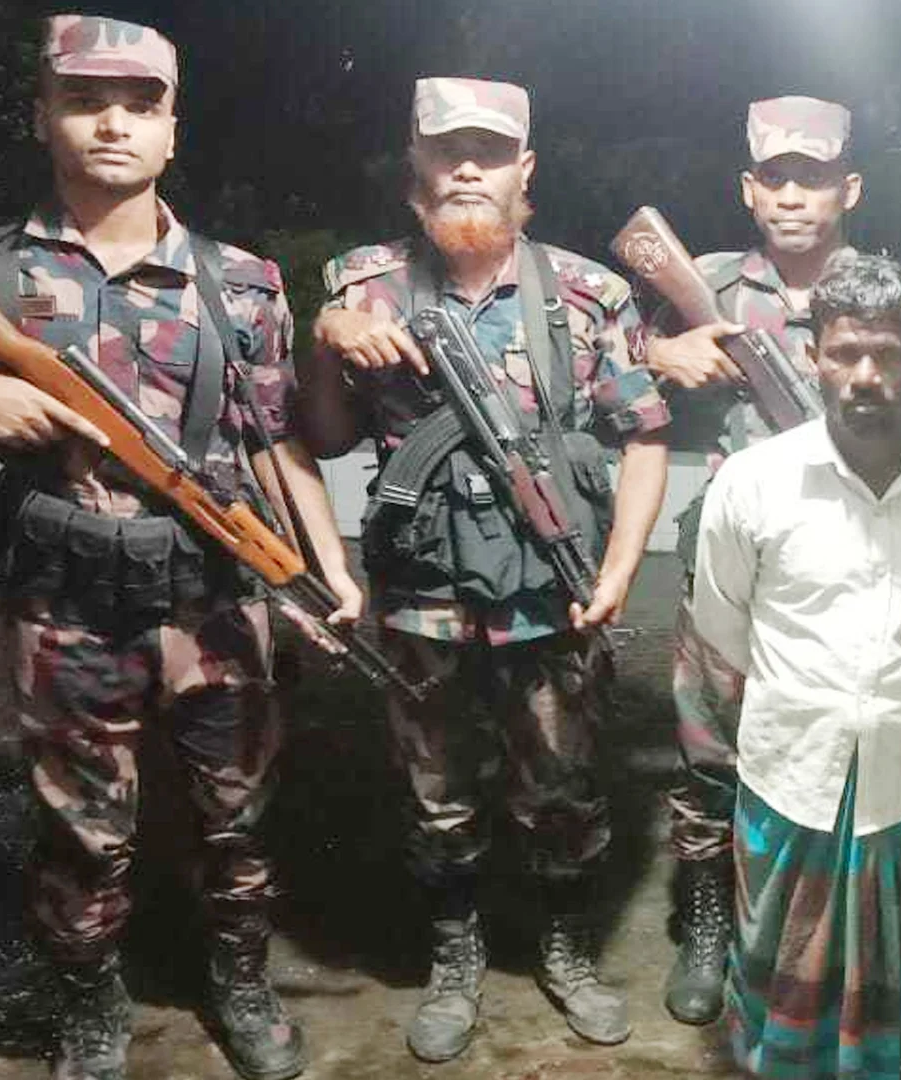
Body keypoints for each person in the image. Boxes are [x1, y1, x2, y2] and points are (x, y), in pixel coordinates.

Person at [0, 15, 360, 1080]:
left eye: (142, 104)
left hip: (218, 598)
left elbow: (275, 440)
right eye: (86, 99)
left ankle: (239, 979)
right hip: (65, 605)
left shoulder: (242, 282)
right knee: (83, 828)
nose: (113, 123)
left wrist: (325, 568)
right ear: (41, 114)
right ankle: (91, 999)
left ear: (173, 130)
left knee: (237, 815)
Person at [296, 76, 669, 1058]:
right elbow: (324, 438)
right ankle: (455, 953)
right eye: (447, 149)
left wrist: (621, 567)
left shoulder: (588, 294)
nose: (468, 167)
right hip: (422, 602)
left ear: (524, 170)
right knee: (437, 795)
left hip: (551, 597)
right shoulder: (364, 285)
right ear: (414, 167)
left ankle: (566, 947)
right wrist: (326, 340)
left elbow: (644, 435)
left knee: (564, 790)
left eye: (491, 152)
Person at [689, 251, 901, 1079]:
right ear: (813, 356)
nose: (866, 376)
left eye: (889, 354)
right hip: (790, 777)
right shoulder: (755, 482)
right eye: (844, 353)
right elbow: (723, 624)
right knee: (779, 962)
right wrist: (818, 699)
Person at [644, 94, 862, 1025]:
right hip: (730, 566)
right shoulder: (707, 280)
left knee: (831, 755)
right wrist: (666, 348)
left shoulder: (883, 292)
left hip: (845, 569)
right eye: (775, 177)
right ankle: (707, 927)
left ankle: (804, 933)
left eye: (812, 177)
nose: (792, 196)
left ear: (849, 189)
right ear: (748, 188)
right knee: (708, 753)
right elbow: (602, 351)